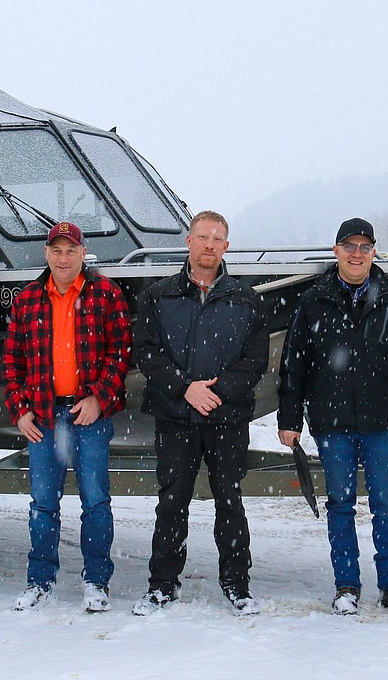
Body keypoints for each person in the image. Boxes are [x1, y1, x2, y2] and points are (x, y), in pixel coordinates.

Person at [277, 218, 388, 616]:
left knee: (387, 505)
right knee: (340, 505)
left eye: (365, 247)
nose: (357, 254)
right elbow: (294, 363)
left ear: (374, 252)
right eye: (349, 246)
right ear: (336, 251)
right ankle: (347, 585)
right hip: (333, 422)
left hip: (382, 423)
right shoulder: (314, 300)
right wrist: (289, 417)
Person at [132, 210, 269, 616]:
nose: (209, 244)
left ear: (226, 247)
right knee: (172, 502)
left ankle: (237, 584)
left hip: (227, 419)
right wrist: (184, 388)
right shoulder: (158, 296)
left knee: (230, 501)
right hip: (175, 416)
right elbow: (147, 353)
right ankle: (162, 584)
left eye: (217, 238)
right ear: (188, 242)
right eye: (202, 236)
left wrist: (218, 392)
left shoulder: (247, 300)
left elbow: (254, 359)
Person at [3, 221, 131, 612]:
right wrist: (19, 410)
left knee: (95, 501)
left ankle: (96, 581)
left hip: (88, 413)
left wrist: (98, 397)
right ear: (46, 253)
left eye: (70, 250)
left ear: (82, 253)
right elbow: (11, 362)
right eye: (56, 250)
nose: (63, 257)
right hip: (42, 416)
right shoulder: (27, 300)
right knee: (43, 503)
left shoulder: (105, 294)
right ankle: (40, 581)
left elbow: (121, 352)